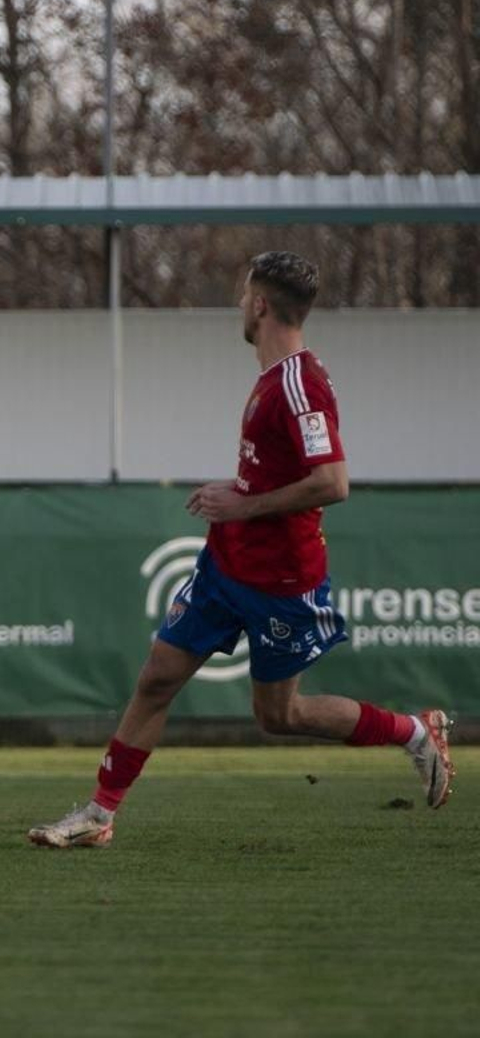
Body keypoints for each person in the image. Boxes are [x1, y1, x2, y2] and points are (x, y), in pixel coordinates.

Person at [28, 251, 454, 848]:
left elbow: (333, 482)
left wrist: (246, 505)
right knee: (157, 677)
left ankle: (413, 730)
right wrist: (245, 491)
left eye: (241, 294)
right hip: (227, 565)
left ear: (258, 304)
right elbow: (288, 476)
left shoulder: (299, 384)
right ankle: (99, 815)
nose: (238, 304)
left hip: (280, 581)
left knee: (280, 716)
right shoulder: (271, 380)